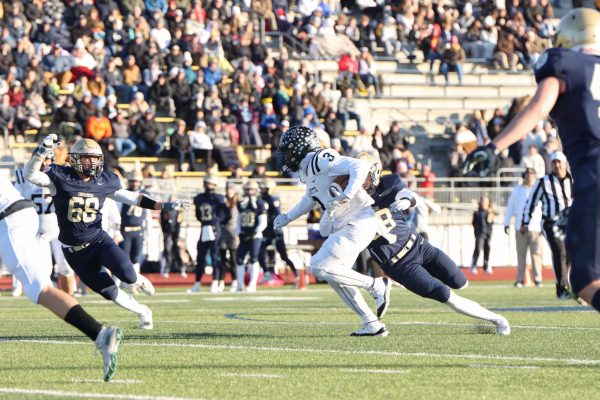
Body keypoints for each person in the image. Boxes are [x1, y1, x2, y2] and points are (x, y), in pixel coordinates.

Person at [463, 8, 600, 310]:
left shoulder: (564, 63)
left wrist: (494, 146)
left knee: (585, 282)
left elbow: (538, 107)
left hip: (593, 169)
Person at [320, 153, 510, 335]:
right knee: (446, 295)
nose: (361, 181)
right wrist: (329, 212)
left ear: (375, 172)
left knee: (461, 283)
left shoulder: (389, 183)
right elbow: (327, 230)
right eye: (356, 175)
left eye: (364, 175)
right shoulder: (349, 203)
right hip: (399, 265)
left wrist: (406, 200)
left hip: (420, 246)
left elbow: (410, 194)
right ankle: (498, 319)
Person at [23, 135, 191, 329]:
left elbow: (133, 198)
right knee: (109, 292)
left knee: (128, 274)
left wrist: (163, 205)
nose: (92, 162)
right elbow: (30, 174)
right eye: (87, 157)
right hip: (73, 250)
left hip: (98, 240)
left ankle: (137, 279)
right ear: (75, 158)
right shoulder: (60, 176)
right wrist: (43, 150)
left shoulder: (104, 180)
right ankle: (143, 311)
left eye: (95, 158)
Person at [0, 176, 122, 381]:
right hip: (22, 214)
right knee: (39, 286)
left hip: (9, 220)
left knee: (39, 289)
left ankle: (100, 334)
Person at [274, 126, 391, 336]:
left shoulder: (320, 159)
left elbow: (360, 166)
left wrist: (348, 191)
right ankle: (371, 323)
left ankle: (376, 285)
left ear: (301, 148)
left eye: (290, 151)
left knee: (318, 267)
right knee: (334, 274)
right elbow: (309, 199)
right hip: (347, 224)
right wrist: (288, 217)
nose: (287, 157)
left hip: (359, 220)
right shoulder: (307, 170)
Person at [13, 150, 76, 297]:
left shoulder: (60, 175)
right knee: (44, 269)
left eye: (48, 160)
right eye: (41, 159)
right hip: (37, 230)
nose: (44, 163)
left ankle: (70, 299)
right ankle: (54, 303)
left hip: (60, 227)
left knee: (66, 267)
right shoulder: (22, 177)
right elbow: (16, 202)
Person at [522, 151, 573, 298]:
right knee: (560, 251)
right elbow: (531, 203)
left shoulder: (573, 180)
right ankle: (564, 287)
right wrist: (525, 222)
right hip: (550, 222)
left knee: (569, 254)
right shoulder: (543, 182)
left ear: (565, 163)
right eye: (554, 162)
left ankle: (561, 283)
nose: (557, 165)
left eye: (559, 162)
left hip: (569, 223)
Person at [504, 168, 544, 288]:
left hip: (536, 227)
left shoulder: (539, 190)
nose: (530, 178)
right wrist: (506, 223)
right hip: (520, 228)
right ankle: (520, 279)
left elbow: (544, 209)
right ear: (524, 177)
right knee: (521, 254)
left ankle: (538, 279)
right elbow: (511, 207)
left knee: (536, 254)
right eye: (528, 175)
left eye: (532, 175)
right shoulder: (518, 190)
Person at [190, 176, 229, 293]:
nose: (208, 186)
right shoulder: (199, 198)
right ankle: (197, 283)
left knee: (215, 256)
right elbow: (198, 214)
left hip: (215, 228)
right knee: (200, 257)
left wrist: (217, 223)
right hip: (204, 227)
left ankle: (215, 282)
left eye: (211, 184)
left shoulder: (219, 198)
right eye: (207, 183)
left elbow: (227, 214)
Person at [259, 179, 299, 287]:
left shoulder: (273, 199)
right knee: (259, 252)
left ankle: (296, 274)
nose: (263, 190)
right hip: (266, 231)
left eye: (265, 188)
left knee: (283, 256)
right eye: (262, 188)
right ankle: (267, 273)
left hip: (276, 231)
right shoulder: (262, 199)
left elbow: (276, 214)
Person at [119, 171, 154, 295]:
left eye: (137, 181)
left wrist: (149, 232)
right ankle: (124, 282)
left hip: (138, 230)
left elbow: (147, 215)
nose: (135, 183)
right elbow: (118, 212)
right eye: (133, 181)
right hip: (125, 230)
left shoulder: (144, 194)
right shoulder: (124, 193)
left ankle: (135, 283)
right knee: (123, 258)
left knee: (136, 259)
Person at [235, 180, 267, 292]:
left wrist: (256, 231)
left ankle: (252, 285)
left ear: (256, 190)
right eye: (247, 189)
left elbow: (263, 221)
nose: (249, 191)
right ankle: (240, 285)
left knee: (254, 258)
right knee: (239, 259)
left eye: (251, 189)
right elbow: (239, 219)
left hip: (255, 235)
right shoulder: (241, 203)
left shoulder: (260, 203)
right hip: (244, 234)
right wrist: (239, 231)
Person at [220, 181, 240, 292]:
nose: (229, 191)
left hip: (234, 232)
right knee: (222, 259)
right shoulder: (223, 202)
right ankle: (221, 281)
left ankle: (234, 281)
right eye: (228, 189)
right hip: (224, 231)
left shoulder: (239, 203)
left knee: (233, 259)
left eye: (231, 189)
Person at [160, 195, 185, 278]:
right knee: (167, 251)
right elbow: (162, 221)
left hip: (175, 234)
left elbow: (179, 223)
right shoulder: (165, 210)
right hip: (167, 233)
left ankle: (181, 268)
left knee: (176, 250)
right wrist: (164, 231)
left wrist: (178, 234)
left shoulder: (179, 211)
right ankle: (166, 269)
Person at [470, 196, 494, 275]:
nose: (484, 203)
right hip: (480, 234)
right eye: (483, 201)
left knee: (487, 249)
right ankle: (473, 265)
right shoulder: (477, 213)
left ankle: (486, 266)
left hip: (488, 234)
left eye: (485, 201)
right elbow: (474, 223)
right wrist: (477, 231)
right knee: (478, 249)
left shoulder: (490, 212)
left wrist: (491, 213)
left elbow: (491, 222)